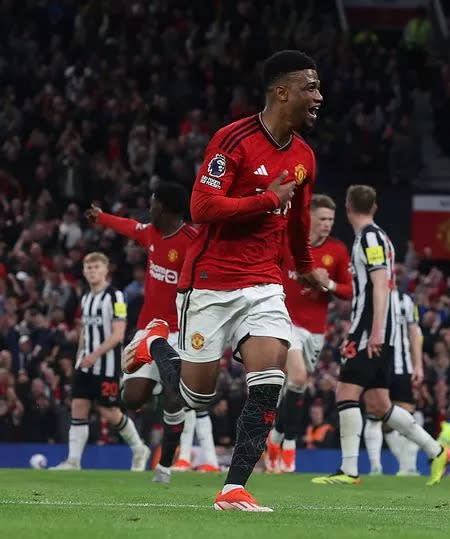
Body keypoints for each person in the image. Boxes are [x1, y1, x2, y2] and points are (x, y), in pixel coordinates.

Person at [128, 50, 328, 512]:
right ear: (282, 92)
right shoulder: (233, 139)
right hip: (211, 283)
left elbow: (297, 216)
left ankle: (233, 488)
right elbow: (201, 207)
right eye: (310, 88)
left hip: (264, 283)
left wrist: (303, 264)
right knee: (198, 398)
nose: (318, 97)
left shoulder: (304, 156)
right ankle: (156, 342)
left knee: (268, 378)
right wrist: (263, 200)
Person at [312, 185, 450, 486]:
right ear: (374, 207)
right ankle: (436, 450)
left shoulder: (371, 238)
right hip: (375, 331)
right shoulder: (376, 238)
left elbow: (379, 285)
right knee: (378, 404)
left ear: (348, 208)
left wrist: (374, 332)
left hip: (368, 331)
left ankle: (349, 470)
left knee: (345, 393)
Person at [88, 183, 219, 480]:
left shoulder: (193, 242)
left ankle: (165, 466)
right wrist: (101, 217)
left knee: (175, 401)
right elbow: (129, 226)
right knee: (133, 399)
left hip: (179, 334)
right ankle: (160, 381)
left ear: (164, 208)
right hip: (148, 329)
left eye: (152, 203)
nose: (149, 208)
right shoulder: (151, 233)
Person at [266, 193, 352, 473]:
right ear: (310, 217)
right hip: (284, 320)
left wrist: (331, 285)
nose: (327, 224)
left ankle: (277, 437)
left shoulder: (337, 251)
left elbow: (350, 291)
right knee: (299, 376)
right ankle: (290, 443)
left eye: (331, 219)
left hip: (315, 330)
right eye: (322, 218)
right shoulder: (290, 240)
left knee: (297, 385)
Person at [50, 252, 150, 471]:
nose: (92, 271)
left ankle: (139, 448)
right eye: (88, 268)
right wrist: (79, 358)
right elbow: (84, 331)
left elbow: (118, 334)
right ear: (84, 272)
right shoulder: (85, 298)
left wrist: (93, 356)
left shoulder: (116, 297)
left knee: (108, 411)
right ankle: (73, 461)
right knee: (78, 405)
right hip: (84, 364)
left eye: (96, 267)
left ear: (106, 270)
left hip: (107, 364)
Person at [364, 288, 424, 476]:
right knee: (375, 415)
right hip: (377, 363)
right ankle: (375, 466)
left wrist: (418, 365)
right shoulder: (370, 296)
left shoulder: (406, 300)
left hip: (402, 366)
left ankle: (408, 466)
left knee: (405, 417)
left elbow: (414, 334)